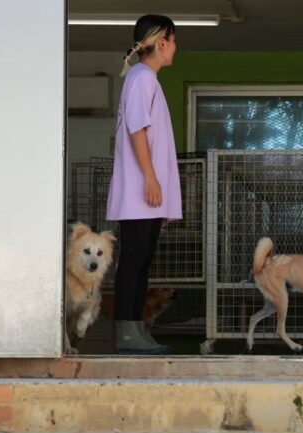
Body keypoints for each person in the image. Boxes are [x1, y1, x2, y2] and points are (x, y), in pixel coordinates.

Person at [106, 14, 182, 354]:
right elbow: (137, 130)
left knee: (141, 261)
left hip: (146, 195)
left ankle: (136, 328)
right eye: (174, 41)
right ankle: (125, 332)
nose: (175, 48)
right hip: (140, 192)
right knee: (134, 261)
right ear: (163, 40)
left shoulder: (145, 79)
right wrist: (150, 177)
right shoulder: (142, 79)